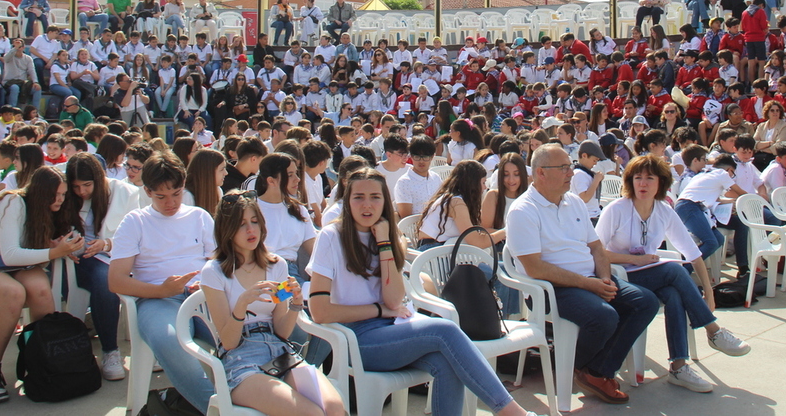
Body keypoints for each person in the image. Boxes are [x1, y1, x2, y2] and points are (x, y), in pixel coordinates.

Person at [308, 168, 543, 416]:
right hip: (355, 340)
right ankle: (515, 413)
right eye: (358, 197)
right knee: (445, 330)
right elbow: (320, 311)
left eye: (375, 197)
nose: (367, 204)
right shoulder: (331, 237)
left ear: (384, 201)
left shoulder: (384, 235)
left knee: (448, 363)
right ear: (347, 200)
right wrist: (379, 310)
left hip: (392, 328)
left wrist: (385, 244)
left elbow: (394, 299)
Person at [506, 144, 659, 405]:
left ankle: (596, 371)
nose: (571, 172)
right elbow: (535, 268)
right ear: (541, 173)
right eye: (564, 167)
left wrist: (604, 279)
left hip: (590, 279)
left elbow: (597, 248)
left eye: (571, 165)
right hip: (552, 288)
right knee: (604, 316)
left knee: (645, 302)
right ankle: (580, 367)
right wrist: (589, 285)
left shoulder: (574, 201)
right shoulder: (523, 210)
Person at [597, 155, 749, 393]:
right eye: (637, 178)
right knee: (672, 269)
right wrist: (634, 259)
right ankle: (713, 331)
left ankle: (678, 367)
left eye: (650, 178)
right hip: (620, 277)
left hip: (649, 276)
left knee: (673, 294)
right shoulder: (617, 209)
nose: (643, 184)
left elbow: (692, 253)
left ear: (661, 182)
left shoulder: (664, 210)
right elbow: (596, 253)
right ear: (630, 181)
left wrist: (709, 293)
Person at [200, 194, 344, 415]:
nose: (251, 230)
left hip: (279, 350)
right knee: (310, 413)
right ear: (226, 230)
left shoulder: (277, 265)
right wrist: (241, 305)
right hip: (241, 358)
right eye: (241, 224)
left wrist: (296, 304)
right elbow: (228, 342)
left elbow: (281, 331)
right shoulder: (215, 272)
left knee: (334, 408)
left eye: (255, 221)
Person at [0, 167, 83, 403]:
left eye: (63, 194)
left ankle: (41, 362)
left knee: (41, 291)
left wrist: (59, 246)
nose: (59, 199)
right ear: (40, 192)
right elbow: (10, 255)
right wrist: (54, 250)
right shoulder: (12, 201)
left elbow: (27, 247)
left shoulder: (41, 208)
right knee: (13, 293)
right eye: (55, 194)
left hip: (18, 266)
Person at [109, 152, 217, 412]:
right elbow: (116, 280)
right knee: (171, 340)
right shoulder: (135, 222)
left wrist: (208, 283)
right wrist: (160, 290)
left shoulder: (199, 216)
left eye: (177, 194)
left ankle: (242, 398)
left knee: (245, 331)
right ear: (147, 191)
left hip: (203, 297)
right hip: (157, 301)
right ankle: (219, 408)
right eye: (161, 196)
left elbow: (219, 262)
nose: (171, 202)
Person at [64, 153, 139, 380]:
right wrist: (64, 244)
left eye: (87, 185)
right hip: (75, 257)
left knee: (107, 280)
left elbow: (135, 236)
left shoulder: (124, 193)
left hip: (114, 256)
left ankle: (115, 350)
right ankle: (109, 349)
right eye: (76, 186)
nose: (82, 191)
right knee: (103, 281)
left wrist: (106, 244)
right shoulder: (67, 195)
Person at [253, 153, 317, 284]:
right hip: (259, 271)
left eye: (296, 173)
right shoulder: (252, 210)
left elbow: (315, 250)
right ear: (271, 181)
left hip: (290, 275)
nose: (297, 179)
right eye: (290, 175)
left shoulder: (299, 210)